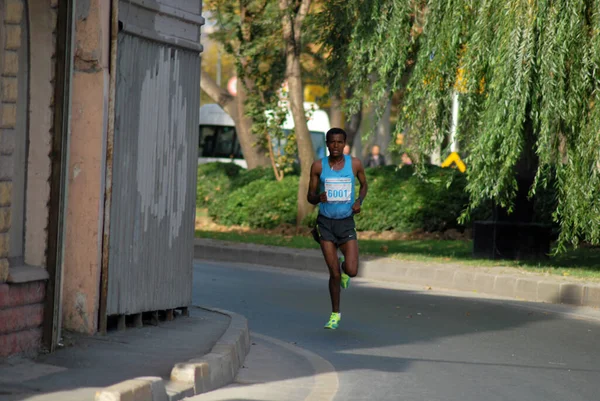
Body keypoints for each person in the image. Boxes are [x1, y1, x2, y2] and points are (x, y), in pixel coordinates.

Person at [307, 128, 368, 330]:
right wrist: (318, 197)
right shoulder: (318, 166)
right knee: (333, 273)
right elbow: (310, 196)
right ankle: (335, 314)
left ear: (344, 143)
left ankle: (344, 268)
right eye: (332, 142)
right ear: (326, 143)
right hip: (325, 223)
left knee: (351, 270)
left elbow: (364, 185)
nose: (335, 146)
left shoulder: (355, 164)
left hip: (346, 222)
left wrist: (359, 201)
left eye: (339, 142)